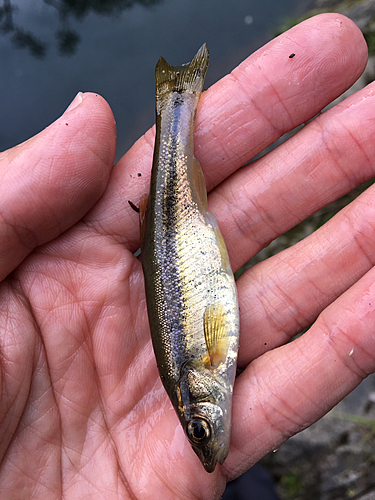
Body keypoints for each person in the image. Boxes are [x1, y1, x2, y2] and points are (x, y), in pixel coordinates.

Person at [0, 12, 374, 499]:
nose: (209, 437)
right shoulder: (206, 380)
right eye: (199, 431)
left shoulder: (206, 362)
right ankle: (175, 103)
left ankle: (175, 104)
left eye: (201, 429)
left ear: (198, 390)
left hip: (178, 245)